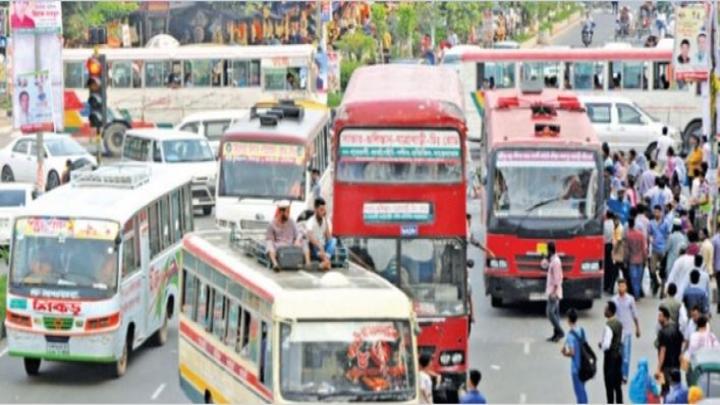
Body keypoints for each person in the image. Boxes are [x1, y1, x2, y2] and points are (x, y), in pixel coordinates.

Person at [265, 200, 309, 270]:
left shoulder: (291, 221)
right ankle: (275, 264)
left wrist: (297, 240)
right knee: (269, 243)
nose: (288, 214)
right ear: (281, 212)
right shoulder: (272, 224)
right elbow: (270, 239)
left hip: (291, 245)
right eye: (287, 212)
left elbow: (299, 232)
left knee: (304, 241)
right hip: (279, 247)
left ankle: (307, 264)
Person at [613, 279, 641, 384]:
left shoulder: (630, 299)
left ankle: (624, 375)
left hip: (627, 331)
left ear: (626, 287)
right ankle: (618, 374)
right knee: (617, 354)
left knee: (626, 355)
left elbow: (635, 315)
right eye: (620, 286)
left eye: (623, 286)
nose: (621, 288)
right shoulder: (614, 300)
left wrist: (637, 328)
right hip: (617, 332)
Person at [562, 308, 588, 404]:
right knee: (583, 391)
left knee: (579, 393)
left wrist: (565, 353)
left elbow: (572, 352)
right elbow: (585, 344)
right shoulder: (581, 330)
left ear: (568, 320)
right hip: (584, 366)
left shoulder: (570, 336)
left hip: (576, 369)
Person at [600, 301, 623, 404]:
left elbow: (606, 345)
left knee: (609, 384)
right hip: (618, 355)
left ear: (610, 311)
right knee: (617, 384)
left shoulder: (609, 325)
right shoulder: (619, 323)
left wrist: (601, 345)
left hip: (610, 357)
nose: (604, 311)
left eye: (606, 309)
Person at [656, 306, 684, 395]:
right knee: (677, 389)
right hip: (676, 365)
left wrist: (658, 368)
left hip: (666, 367)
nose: (658, 318)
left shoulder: (662, 332)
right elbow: (682, 343)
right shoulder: (676, 329)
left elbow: (662, 352)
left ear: (665, 317)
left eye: (660, 316)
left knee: (664, 391)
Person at [306, 197, 335, 271]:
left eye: (324, 210)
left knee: (334, 240)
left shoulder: (326, 220)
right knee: (315, 245)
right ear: (316, 209)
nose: (323, 212)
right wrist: (319, 245)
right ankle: (326, 263)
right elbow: (310, 237)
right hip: (315, 248)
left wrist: (325, 220)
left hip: (324, 247)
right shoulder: (310, 222)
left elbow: (328, 238)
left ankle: (324, 262)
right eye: (321, 210)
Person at [649, 205, 671, 296]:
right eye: (655, 212)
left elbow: (668, 236)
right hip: (654, 249)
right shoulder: (651, 223)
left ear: (661, 213)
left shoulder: (666, 223)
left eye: (658, 212)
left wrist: (667, 248)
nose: (656, 213)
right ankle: (656, 283)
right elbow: (649, 234)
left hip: (663, 249)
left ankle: (662, 290)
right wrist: (650, 239)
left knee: (663, 271)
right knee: (652, 270)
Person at [544, 241, 564, 342]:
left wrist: (554, 293)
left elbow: (557, 279)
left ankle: (560, 332)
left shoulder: (556, 262)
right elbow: (544, 265)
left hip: (554, 292)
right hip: (552, 291)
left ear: (549, 250)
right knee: (555, 313)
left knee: (550, 313)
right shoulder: (553, 260)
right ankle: (556, 334)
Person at [625, 217, 647, 298]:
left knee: (633, 279)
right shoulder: (641, 235)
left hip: (632, 260)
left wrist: (625, 260)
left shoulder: (628, 235)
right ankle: (637, 293)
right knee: (638, 278)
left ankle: (636, 294)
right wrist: (645, 259)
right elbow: (644, 248)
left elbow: (627, 250)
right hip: (640, 259)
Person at [604, 212, 616, 294]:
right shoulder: (614, 224)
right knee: (610, 265)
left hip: (604, 245)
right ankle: (608, 285)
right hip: (611, 245)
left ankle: (605, 285)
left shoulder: (604, 224)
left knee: (605, 266)